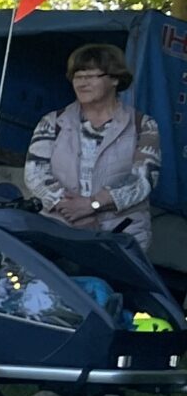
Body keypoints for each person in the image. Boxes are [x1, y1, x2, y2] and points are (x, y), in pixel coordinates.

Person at [26, 42, 163, 251]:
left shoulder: (143, 125)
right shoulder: (52, 122)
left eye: (90, 76)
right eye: (77, 77)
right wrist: (72, 210)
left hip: (121, 236)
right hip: (58, 228)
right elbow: (35, 173)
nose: (82, 83)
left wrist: (92, 205)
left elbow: (143, 179)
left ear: (115, 79)